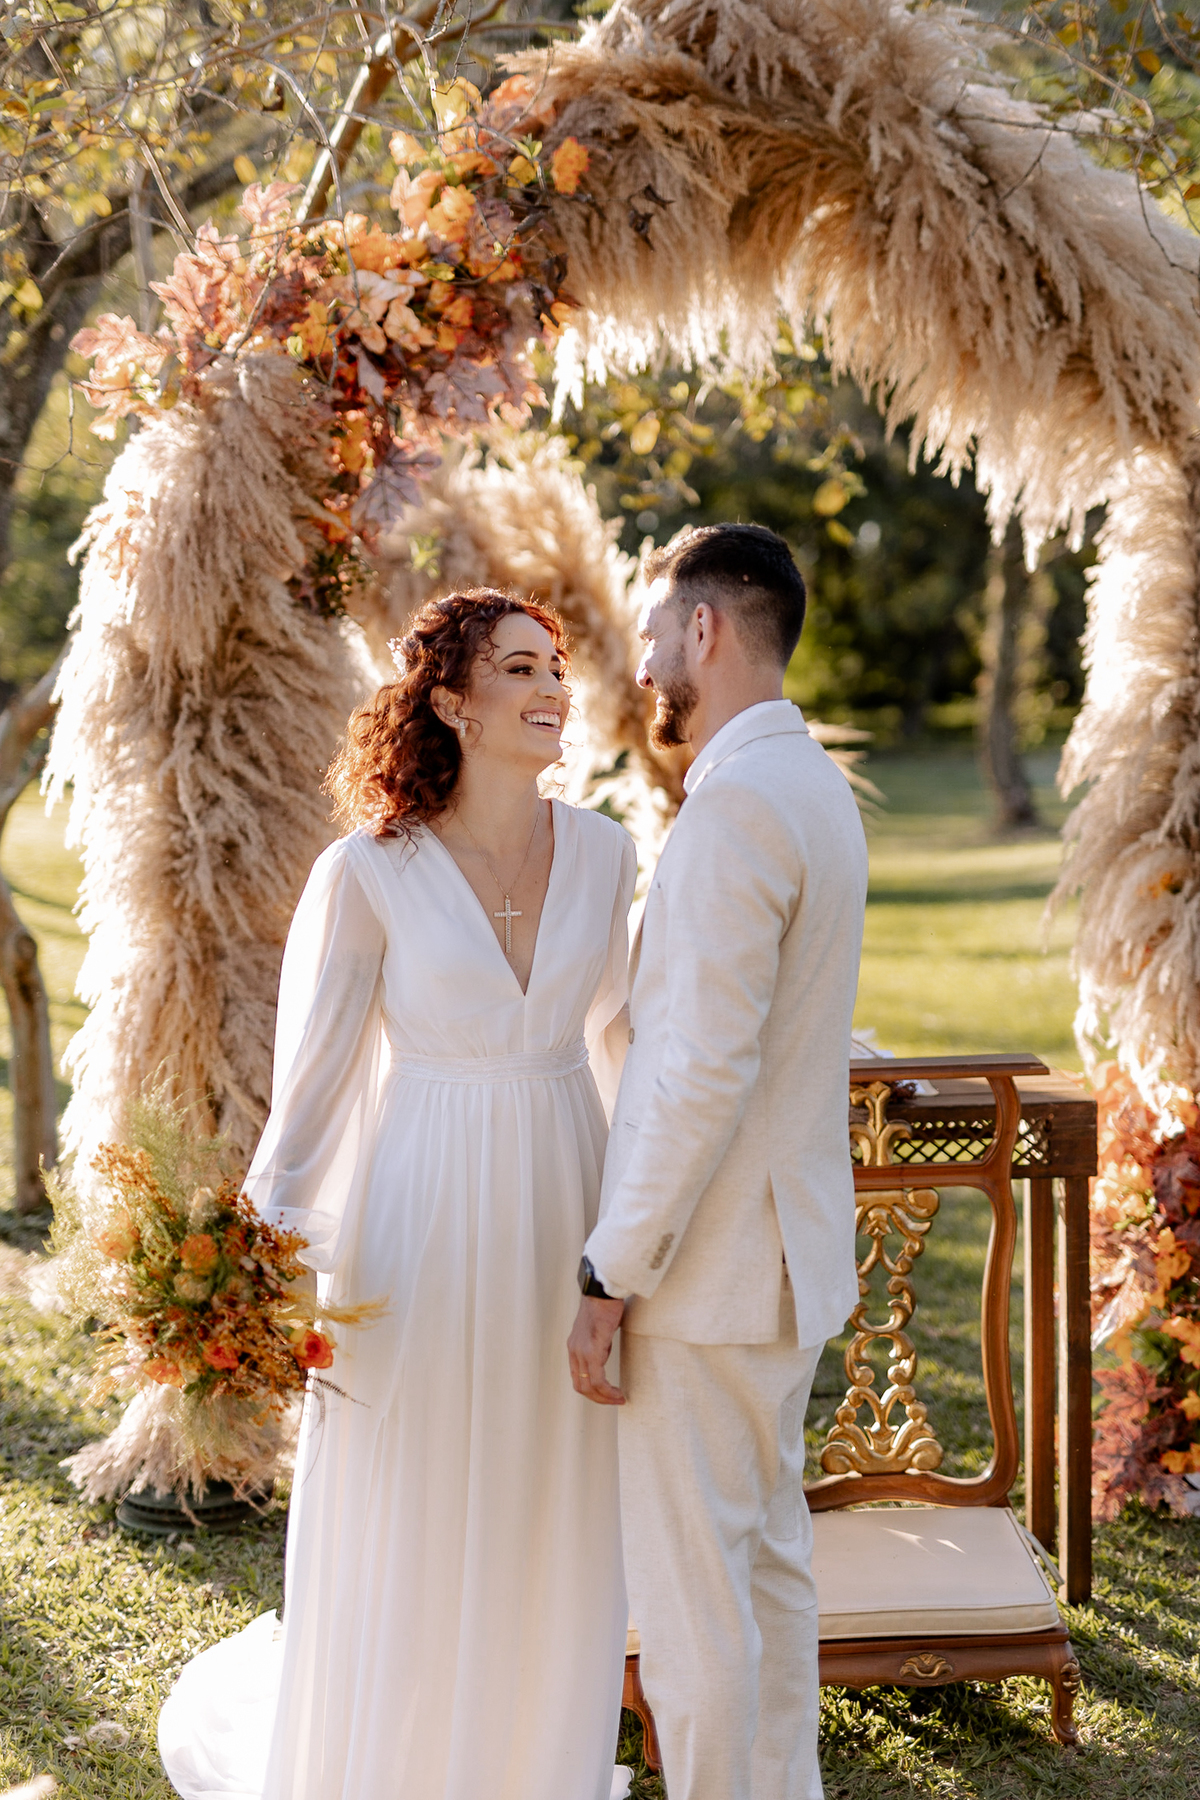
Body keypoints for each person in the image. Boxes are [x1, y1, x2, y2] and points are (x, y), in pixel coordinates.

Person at [158, 590, 637, 1800]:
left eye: (557, 667)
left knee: (551, 1490)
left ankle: (531, 1766)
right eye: (518, 667)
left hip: (564, 1194)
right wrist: (252, 1259)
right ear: (450, 701)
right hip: (416, 1213)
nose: (552, 687)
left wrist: (639, 1231)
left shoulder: (608, 853)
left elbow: (627, 1041)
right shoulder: (370, 870)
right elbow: (315, 1079)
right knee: (414, 1491)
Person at [568, 524, 869, 1800]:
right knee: (765, 1572)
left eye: (651, 638)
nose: (643, 668)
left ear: (708, 630)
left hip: (709, 1275)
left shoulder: (738, 806)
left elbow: (695, 1072)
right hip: (782, 1263)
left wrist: (608, 1269)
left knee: (697, 1616)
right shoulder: (812, 790)